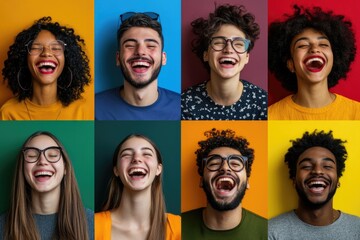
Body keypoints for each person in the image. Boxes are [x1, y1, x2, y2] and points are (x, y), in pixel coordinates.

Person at [268, 5, 360, 120]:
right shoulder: (270, 117)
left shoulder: (356, 114)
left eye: (323, 44)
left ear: (333, 59)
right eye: (302, 45)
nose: (314, 49)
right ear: (290, 64)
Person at [0, 131, 93, 240]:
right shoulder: (3, 226)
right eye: (32, 155)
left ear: (65, 168)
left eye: (53, 155)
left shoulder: (92, 223)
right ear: (22, 169)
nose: (42, 161)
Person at [268, 130, 360, 239]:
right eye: (306, 166)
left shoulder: (357, 229)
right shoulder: (271, 232)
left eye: (327, 166)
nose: (317, 171)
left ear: (338, 179)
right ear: (294, 180)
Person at [181, 4, 268, 120]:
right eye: (219, 42)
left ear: (247, 57)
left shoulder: (263, 103)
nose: (228, 50)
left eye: (238, 44)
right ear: (206, 55)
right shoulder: (185, 104)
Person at [0, 17, 92, 120]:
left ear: (67, 59)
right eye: (36, 48)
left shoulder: (82, 110)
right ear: (24, 58)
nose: (46, 53)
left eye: (56, 48)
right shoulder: (8, 113)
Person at [182, 128, 267, 239]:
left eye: (235, 164)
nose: (225, 168)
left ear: (247, 182)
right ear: (201, 181)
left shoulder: (267, 231)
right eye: (214, 163)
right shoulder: (177, 227)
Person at [95, 12, 180, 120]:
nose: (140, 52)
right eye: (130, 46)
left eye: (150, 46)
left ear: (163, 58)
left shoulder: (181, 107)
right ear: (118, 58)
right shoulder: (94, 108)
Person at [94, 134, 181, 240]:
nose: (136, 159)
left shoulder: (178, 228)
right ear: (116, 170)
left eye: (147, 154)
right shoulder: (92, 225)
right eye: (126, 154)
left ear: (158, 169)